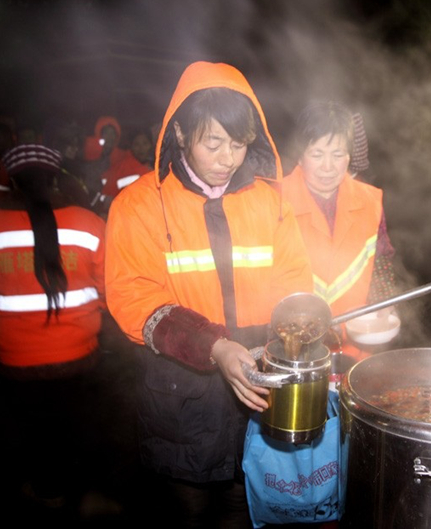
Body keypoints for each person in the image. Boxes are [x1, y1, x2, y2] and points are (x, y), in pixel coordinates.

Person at [105, 61, 313, 527]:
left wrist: (309, 325)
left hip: (256, 397)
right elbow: (135, 298)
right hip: (181, 399)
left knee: (243, 510)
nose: (228, 158)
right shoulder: (139, 204)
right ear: (179, 134)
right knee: (188, 512)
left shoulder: (271, 200)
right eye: (213, 142)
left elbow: (294, 279)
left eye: (239, 144)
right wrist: (214, 346)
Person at [0, 143, 107, 504]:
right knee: (74, 427)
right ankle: (77, 493)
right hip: (79, 356)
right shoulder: (90, 225)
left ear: (12, 181)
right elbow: (109, 286)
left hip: (14, 361)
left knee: (30, 431)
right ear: (56, 178)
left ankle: (41, 491)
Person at [281, 101, 396, 362]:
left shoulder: (370, 200)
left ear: (349, 156)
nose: (328, 167)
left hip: (356, 351)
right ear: (300, 154)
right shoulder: (275, 201)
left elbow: (382, 259)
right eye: (317, 154)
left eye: (338, 154)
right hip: (295, 352)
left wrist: (385, 302)